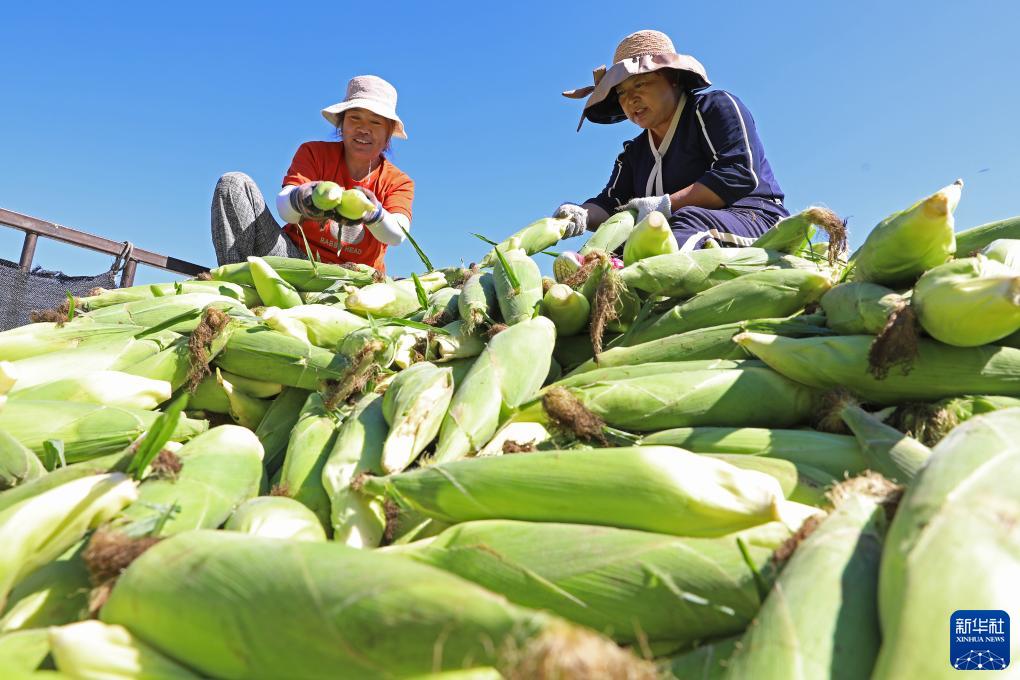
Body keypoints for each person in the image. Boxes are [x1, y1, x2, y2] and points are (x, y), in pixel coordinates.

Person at [555, 30, 788, 251]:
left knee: (685, 222)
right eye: (622, 93)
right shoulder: (634, 154)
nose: (631, 99)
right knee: (612, 251)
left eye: (640, 84)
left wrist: (662, 206)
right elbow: (609, 204)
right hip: (676, 227)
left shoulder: (713, 108)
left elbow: (737, 174)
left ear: (673, 77)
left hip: (755, 218)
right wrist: (581, 214)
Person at [211, 75, 414, 272]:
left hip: (353, 279)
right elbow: (285, 210)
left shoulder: (398, 181)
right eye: (355, 118)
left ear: (388, 133)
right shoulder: (314, 153)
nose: (364, 129)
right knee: (233, 183)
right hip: (292, 262)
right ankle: (236, 283)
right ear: (341, 125)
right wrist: (301, 198)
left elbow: (397, 234)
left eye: (376, 122)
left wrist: (372, 213)